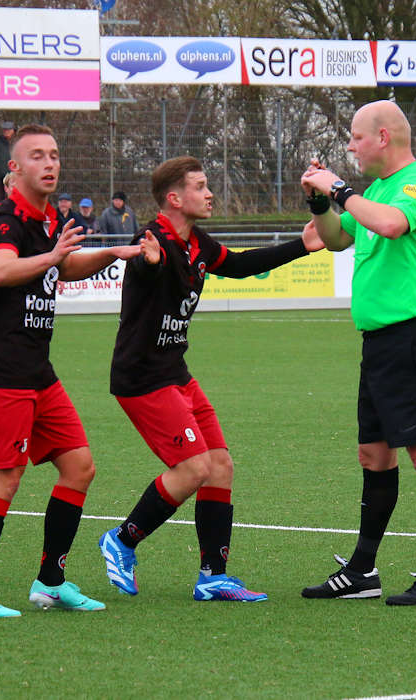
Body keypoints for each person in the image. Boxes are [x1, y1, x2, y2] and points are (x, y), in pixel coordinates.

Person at [97, 156, 324, 602]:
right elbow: (145, 268)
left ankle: (213, 577)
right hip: (143, 377)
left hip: (175, 373)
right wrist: (149, 263)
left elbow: (238, 265)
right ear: (174, 198)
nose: (209, 193)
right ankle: (121, 540)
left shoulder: (196, 242)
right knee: (194, 468)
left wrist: (303, 244)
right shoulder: (151, 240)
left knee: (219, 465)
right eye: (200, 186)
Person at [0, 124, 144, 617]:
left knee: (79, 467)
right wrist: (53, 255)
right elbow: (2, 270)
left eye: (54, 154)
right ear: (14, 168)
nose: (50, 163)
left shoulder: (51, 218)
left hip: (38, 371)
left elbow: (63, 268)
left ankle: (51, 583)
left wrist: (112, 253)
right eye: (37, 155)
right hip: (3, 371)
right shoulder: (4, 220)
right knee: (5, 477)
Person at [299, 100, 416, 606]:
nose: (350, 146)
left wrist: (339, 190)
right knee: (373, 453)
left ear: (383, 137)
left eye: (356, 137)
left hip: (414, 337)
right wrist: (320, 203)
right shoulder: (373, 192)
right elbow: (333, 240)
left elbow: (390, 225)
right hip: (380, 343)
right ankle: (362, 571)